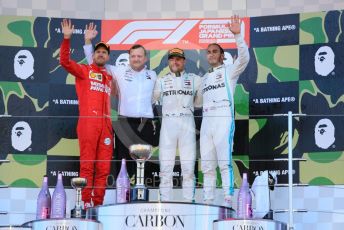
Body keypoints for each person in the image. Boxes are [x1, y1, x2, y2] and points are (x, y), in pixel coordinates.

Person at [83, 24, 157, 181]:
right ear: (129, 57)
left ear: (146, 58)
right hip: (125, 124)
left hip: (146, 125)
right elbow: (94, 62)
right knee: (123, 163)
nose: (136, 59)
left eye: (139, 56)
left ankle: (142, 198)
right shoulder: (119, 71)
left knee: (145, 166)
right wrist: (88, 41)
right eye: (133, 56)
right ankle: (122, 198)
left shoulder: (153, 75)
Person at [59, 19, 113, 208]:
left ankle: (97, 205)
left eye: (104, 52)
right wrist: (67, 38)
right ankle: (85, 203)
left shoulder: (109, 76)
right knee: (88, 165)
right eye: (98, 51)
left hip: (106, 126)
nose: (100, 54)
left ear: (107, 57)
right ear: (94, 55)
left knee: (104, 168)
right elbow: (64, 61)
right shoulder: (84, 71)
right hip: (89, 123)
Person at [199, 15, 249, 206]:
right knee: (207, 165)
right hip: (206, 123)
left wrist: (237, 36)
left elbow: (244, 58)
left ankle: (228, 200)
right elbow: (195, 101)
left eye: (215, 51)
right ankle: (208, 200)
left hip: (223, 120)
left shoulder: (230, 71)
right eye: (208, 52)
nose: (211, 54)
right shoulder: (204, 78)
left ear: (222, 55)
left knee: (224, 163)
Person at [153, 48, 201, 202]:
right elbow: (152, 100)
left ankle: (189, 201)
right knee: (166, 168)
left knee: (188, 167)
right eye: (172, 59)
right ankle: (165, 202)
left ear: (184, 61)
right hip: (168, 123)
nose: (175, 61)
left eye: (179, 59)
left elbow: (199, 101)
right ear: (168, 62)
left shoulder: (195, 79)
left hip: (187, 122)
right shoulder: (160, 81)